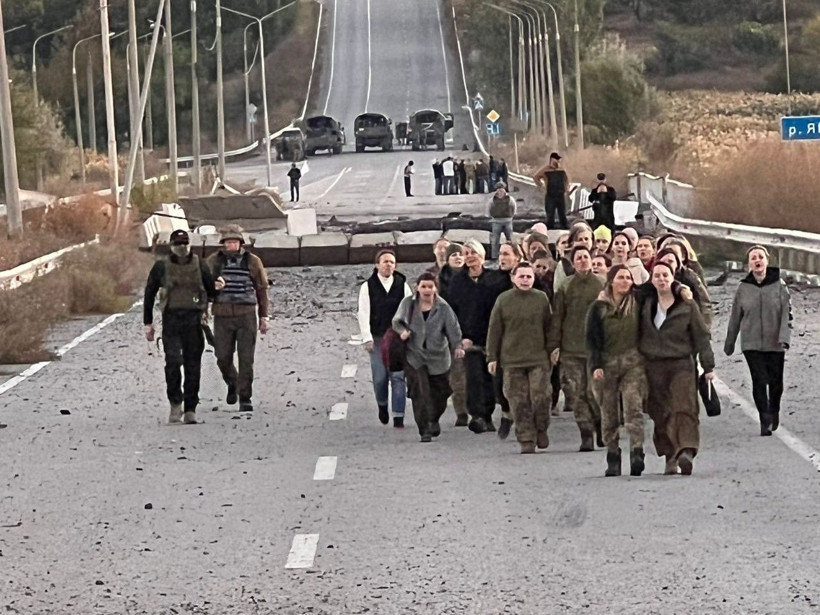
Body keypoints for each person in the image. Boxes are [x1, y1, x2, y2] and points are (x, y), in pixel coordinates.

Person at [640, 262, 715, 476]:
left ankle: (686, 450)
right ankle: (670, 455)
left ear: (673, 278)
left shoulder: (687, 306)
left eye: (666, 275)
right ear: (651, 279)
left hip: (681, 363)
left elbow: (702, 336)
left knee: (684, 406)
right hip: (653, 365)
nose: (661, 279)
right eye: (657, 275)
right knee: (660, 411)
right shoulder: (645, 304)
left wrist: (708, 366)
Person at [144, 229, 218, 424]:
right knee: (173, 362)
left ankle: (191, 408)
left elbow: (211, 290)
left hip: (194, 320)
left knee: (193, 365)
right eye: (178, 244)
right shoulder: (161, 266)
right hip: (171, 320)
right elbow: (149, 293)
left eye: (185, 243)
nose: (182, 247)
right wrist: (148, 323)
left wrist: (212, 304)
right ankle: (176, 403)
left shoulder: (200, 265)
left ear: (189, 244)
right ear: (171, 246)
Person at [724, 245, 792, 436]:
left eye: (760, 257)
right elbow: (735, 316)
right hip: (751, 343)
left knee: (776, 383)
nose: (757, 260)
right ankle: (764, 417)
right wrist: (730, 342)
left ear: (767, 261)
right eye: (753, 258)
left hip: (775, 342)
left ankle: (774, 409)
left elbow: (787, 314)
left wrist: (784, 338)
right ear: (749, 264)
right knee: (759, 380)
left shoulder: (779, 285)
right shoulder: (743, 288)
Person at [587, 265, 647, 476]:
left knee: (633, 407)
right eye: (620, 277)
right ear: (611, 281)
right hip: (607, 364)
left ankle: (637, 451)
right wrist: (596, 365)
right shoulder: (598, 307)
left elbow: (657, 285)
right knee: (609, 412)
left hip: (633, 362)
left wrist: (679, 288)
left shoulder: (638, 301)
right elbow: (592, 339)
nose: (625, 281)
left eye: (628, 278)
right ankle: (613, 456)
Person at [487, 262, 553, 454]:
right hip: (512, 360)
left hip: (538, 358)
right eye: (521, 276)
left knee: (541, 396)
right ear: (513, 278)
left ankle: (541, 428)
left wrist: (553, 349)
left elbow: (549, 327)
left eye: (529, 276)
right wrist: (492, 356)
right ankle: (526, 438)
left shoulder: (541, 298)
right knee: (518, 401)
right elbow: (495, 330)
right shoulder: (503, 300)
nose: (525, 280)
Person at [392, 272, 465, 442]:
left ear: (435, 289)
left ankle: (433, 418)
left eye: (430, 286)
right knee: (420, 393)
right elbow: (396, 321)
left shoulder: (443, 308)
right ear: (417, 287)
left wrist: (458, 346)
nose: (426, 290)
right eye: (423, 286)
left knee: (442, 393)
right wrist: (402, 332)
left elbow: (453, 329)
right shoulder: (408, 304)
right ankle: (424, 429)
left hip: (439, 357)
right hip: (415, 355)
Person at [206, 225, 270, 413]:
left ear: (241, 243)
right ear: (223, 244)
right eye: (228, 242)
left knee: (246, 359)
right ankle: (233, 382)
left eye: (234, 242)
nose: (231, 245)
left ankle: (245, 397)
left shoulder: (253, 261)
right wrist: (206, 302)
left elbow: (262, 289)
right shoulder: (213, 261)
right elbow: (202, 286)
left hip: (246, 315)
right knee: (222, 356)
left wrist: (263, 316)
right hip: (222, 315)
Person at [447, 239, 509, 434]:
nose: (470, 256)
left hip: (492, 337)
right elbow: (452, 312)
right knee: (473, 378)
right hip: (468, 339)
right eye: (466, 253)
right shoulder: (457, 282)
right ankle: (478, 416)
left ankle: (488, 415)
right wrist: (460, 337)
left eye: (473, 252)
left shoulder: (495, 279)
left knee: (491, 378)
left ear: (482, 255)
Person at [548, 246, 605, 450]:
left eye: (585, 257)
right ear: (573, 263)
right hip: (571, 348)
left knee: (594, 392)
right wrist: (554, 345)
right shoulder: (565, 286)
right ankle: (586, 433)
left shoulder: (602, 284)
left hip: (596, 349)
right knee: (577, 393)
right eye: (578, 258)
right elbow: (557, 317)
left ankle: (600, 424)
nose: (582, 260)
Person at [357, 249, 413, 427]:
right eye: (385, 261)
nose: (389, 265)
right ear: (377, 265)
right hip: (378, 337)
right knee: (380, 376)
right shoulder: (368, 286)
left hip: (397, 338)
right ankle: (382, 405)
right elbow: (363, 313)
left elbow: (409, 310)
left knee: (398, 376)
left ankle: (398, 416)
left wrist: (407, 332)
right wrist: (367, 337)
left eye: (392, 262)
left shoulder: (402, 285)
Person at [437, 243, 468, 426]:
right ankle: (461, 412)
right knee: (457, 376)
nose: (458, 257)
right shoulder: (440, 281)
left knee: (472, 374)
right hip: (448, 334)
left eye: (460, 254)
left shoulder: (471, 278)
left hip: (470, 330)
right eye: (454, 255)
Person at [655, 248, 713, 327]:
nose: (667, 264)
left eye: (670, 261)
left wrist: (705, 326)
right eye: (663, 262)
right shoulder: (653, 280)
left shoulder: (689, 277)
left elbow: (704, 304)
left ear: (677, 263)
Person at [533, 152, 570, 230]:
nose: (558, 161)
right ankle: (550, 229)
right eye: (556, 159)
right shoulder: (545, 169)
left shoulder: (562, 169)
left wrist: (567, 188)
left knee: (562, 214)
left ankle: (565, 228)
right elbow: (536, 177)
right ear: (552, 159)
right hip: (550, 195)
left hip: (560, 194)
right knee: (550, 214)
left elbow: (567, 179)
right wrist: (541, 185)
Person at [489, 182, 516, 260]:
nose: (500, 191)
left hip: (508, 221)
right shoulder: (492, 200)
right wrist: (493, 217)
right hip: (496, 221)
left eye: (501, 189)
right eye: (498, 189)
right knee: (495, 241)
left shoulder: (510, 199)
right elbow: (489, 208)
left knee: (510, 239)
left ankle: (512, 254)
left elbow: (514, 208)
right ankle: (494, 256)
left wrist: (510, 217)